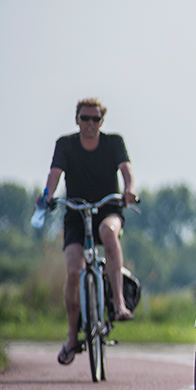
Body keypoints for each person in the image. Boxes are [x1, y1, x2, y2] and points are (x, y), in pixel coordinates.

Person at [40, 98, 138, 366]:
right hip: (76, 214)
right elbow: (54, 173)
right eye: (85, 118)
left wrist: (129, 189)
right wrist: (47, 195)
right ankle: (72, 337)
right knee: (74, 270)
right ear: (77, 120)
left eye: (95, 119)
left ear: (102, 121)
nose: (90, 124)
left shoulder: (114, 142)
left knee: (109, 233)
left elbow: (126, 169)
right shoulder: (65, 144)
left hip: (108, 209)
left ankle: (119, 303)